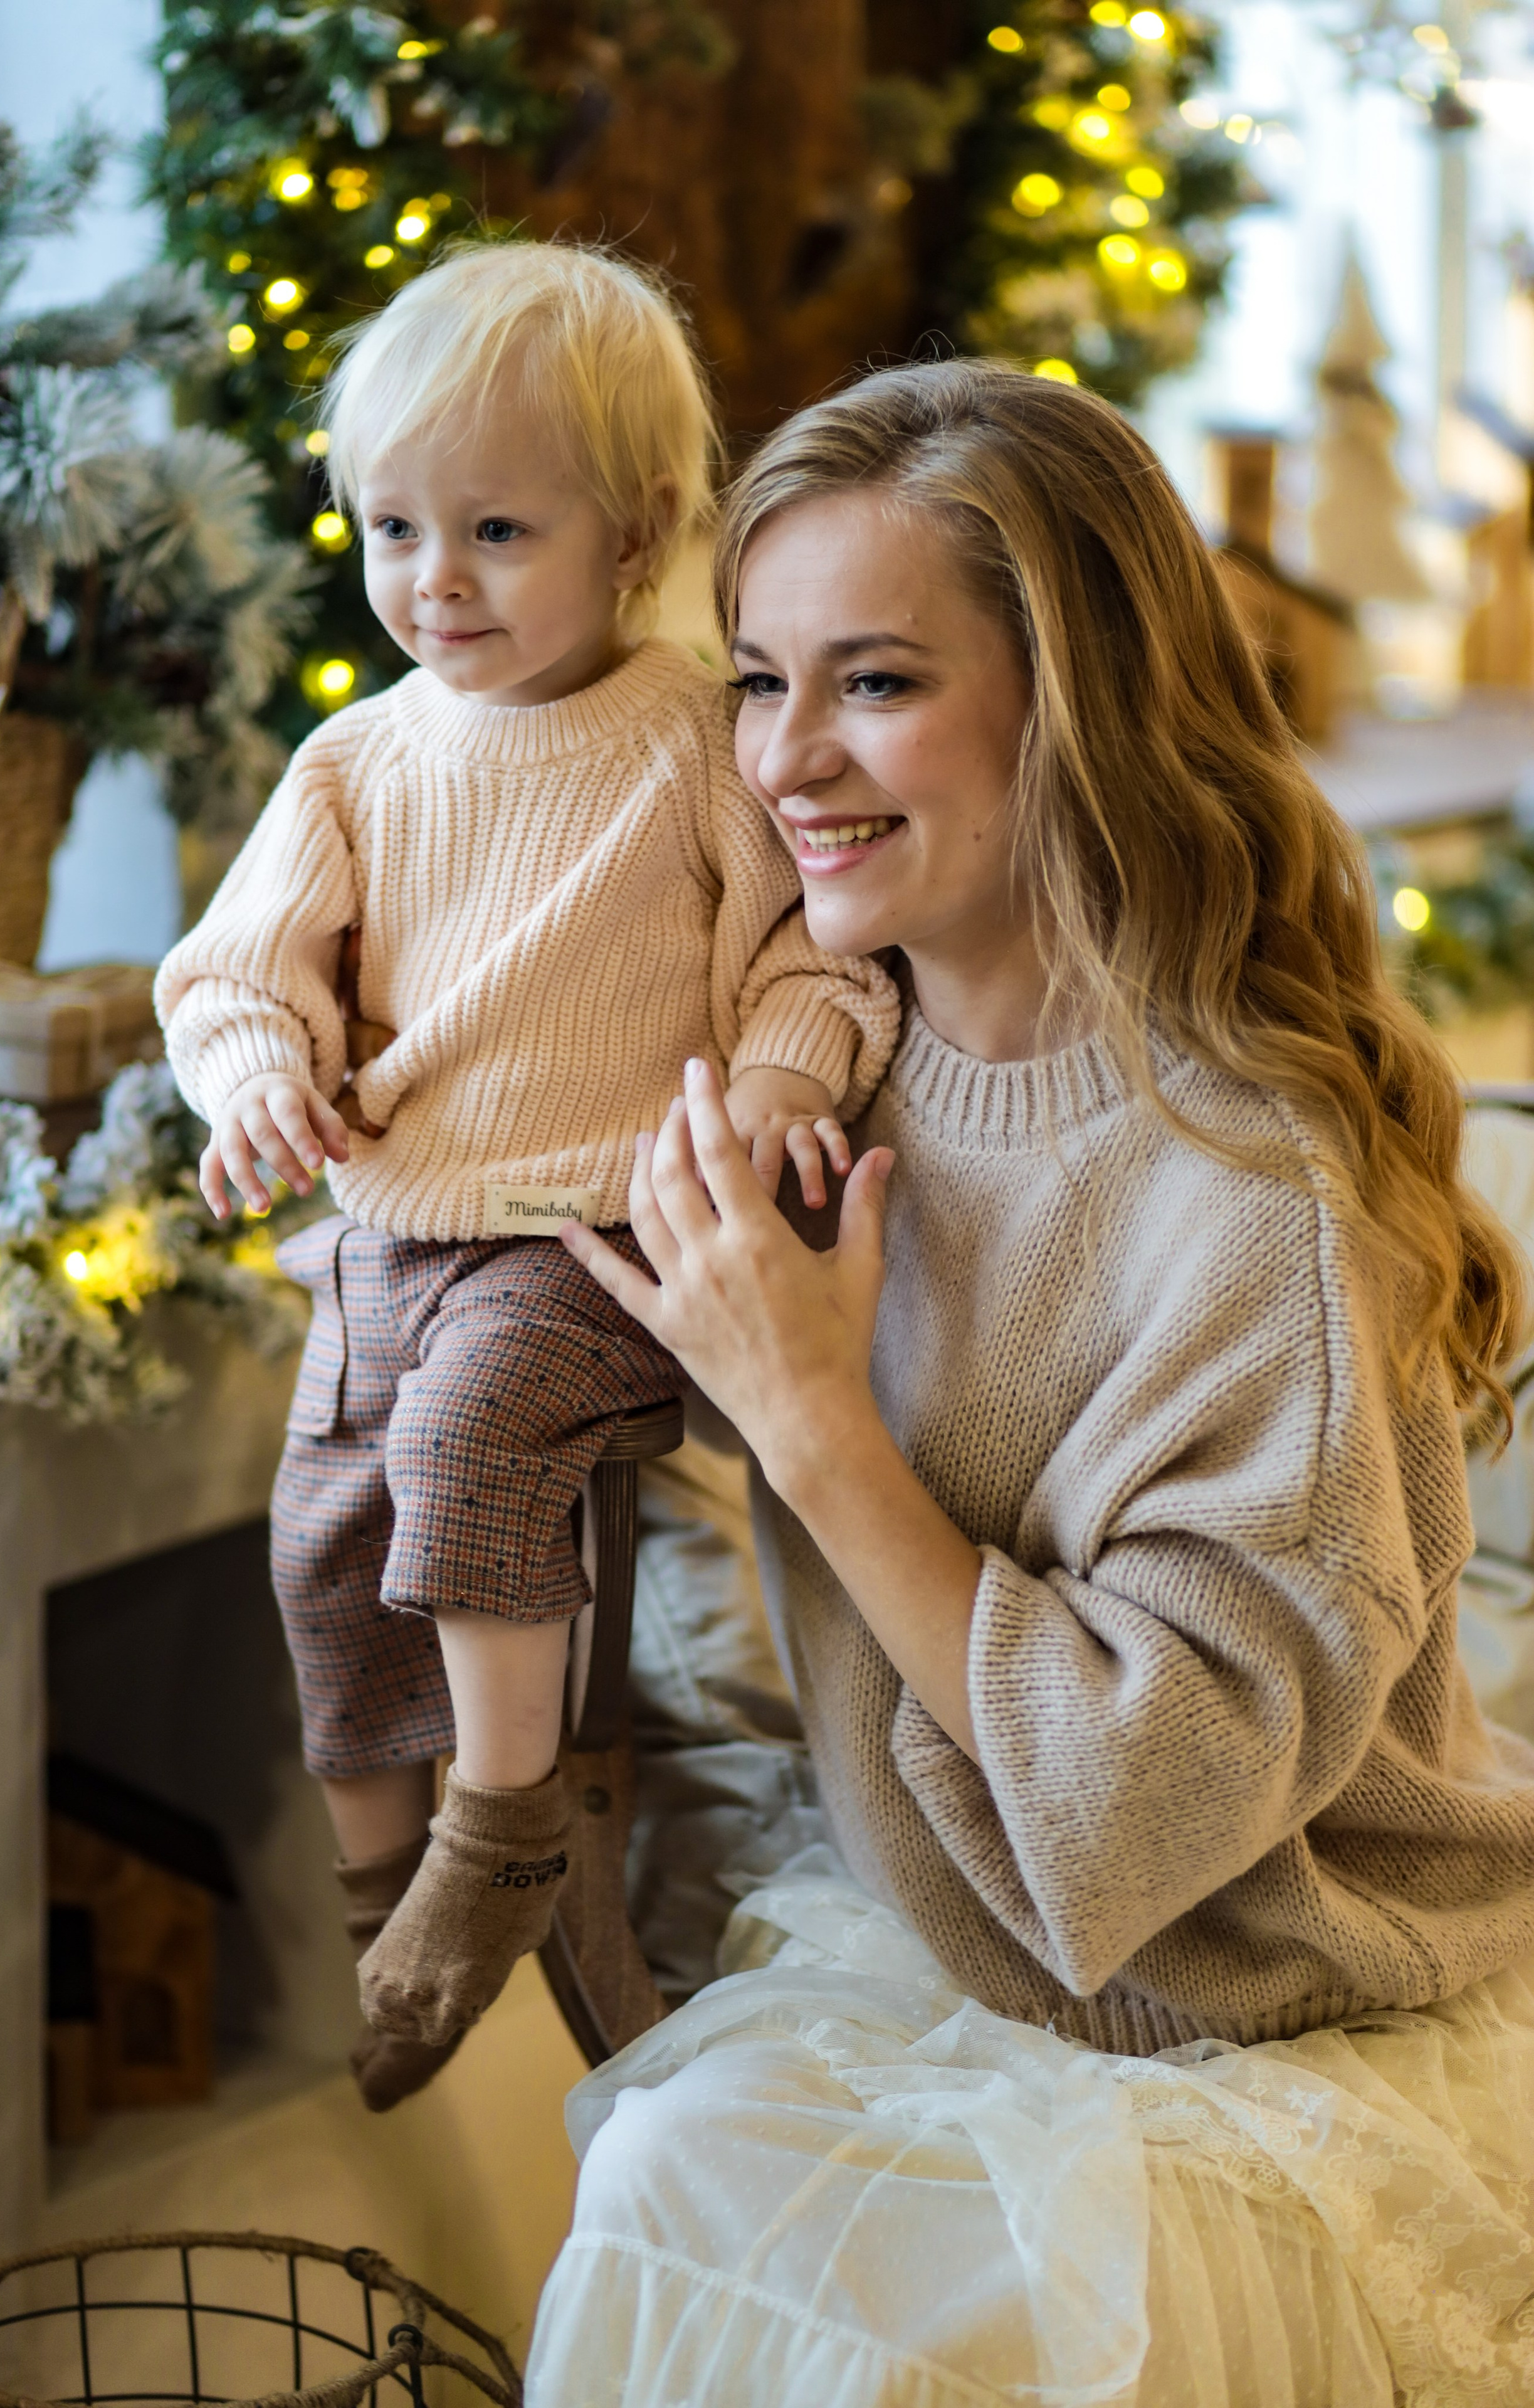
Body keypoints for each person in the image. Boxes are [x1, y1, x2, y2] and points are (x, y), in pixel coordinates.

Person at [532, 359, 1534, 2404]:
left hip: (1256, 2027)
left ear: (1075, 711)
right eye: (756, 679)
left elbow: (1128, 1818)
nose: (787, 759)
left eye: (876, 682)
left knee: (702, 2202)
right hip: (960, 1959)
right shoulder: (832, 1072)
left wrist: (810, 1421)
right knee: (674, 2180)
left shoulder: (1263, 1206)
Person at [153, 242, 899, 2114]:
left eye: (494, 529)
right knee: (321, 1541)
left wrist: (793, 1076)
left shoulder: (686, 741)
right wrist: (254, 1079)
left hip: (606, 1230)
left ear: (637, 527)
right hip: (396, 1225)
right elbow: (240, 970)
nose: (435, 581)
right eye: (392, 527)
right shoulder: (357, 761)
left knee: (469, 1435)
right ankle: (382, 1882)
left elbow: (815, 953)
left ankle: (501, 1827)